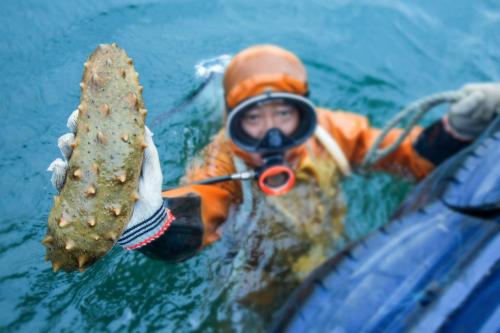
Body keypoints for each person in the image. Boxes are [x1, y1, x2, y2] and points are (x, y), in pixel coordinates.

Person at [49, 44, 499, 269]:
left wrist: (456, 129)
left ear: (305, 111)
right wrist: (148, 221)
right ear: (232, 122)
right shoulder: (221, 160)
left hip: (334, 253)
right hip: (253, 277)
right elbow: (197, 211)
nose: (272, 133)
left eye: (284, 113)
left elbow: (405, 156)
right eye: (254, 119)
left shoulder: (334, 132)